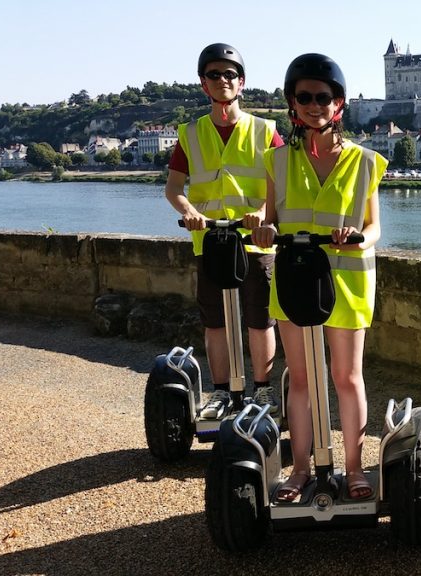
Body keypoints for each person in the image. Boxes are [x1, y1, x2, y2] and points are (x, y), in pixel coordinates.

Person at [247, 53, 386, 503]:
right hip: (293, 278)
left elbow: (374, 227)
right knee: (302, 379)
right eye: (304, 97)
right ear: (292, 104)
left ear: (338, 104)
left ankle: (353, 467)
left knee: (347, 377)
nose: (313, 105)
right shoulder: (278, 161)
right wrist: (263, 228)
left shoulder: (365, 162)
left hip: (346, 280)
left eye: (322, 98)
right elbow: (268, 216)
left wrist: (359, 239)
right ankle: (301, 468)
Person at [164, 43, 282, 419]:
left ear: (241, 83)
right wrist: (190, 212)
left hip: (254, 240)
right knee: (215, 320)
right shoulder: (191, 133)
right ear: (204, 84)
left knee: (260, 317)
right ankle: (220, 392)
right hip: (210, 240)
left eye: (229, 74)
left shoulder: (265, 131)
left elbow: (282, 183)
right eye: (214, 75)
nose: (222, 80)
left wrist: (263, 213)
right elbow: (173, 188)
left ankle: (261, 390)